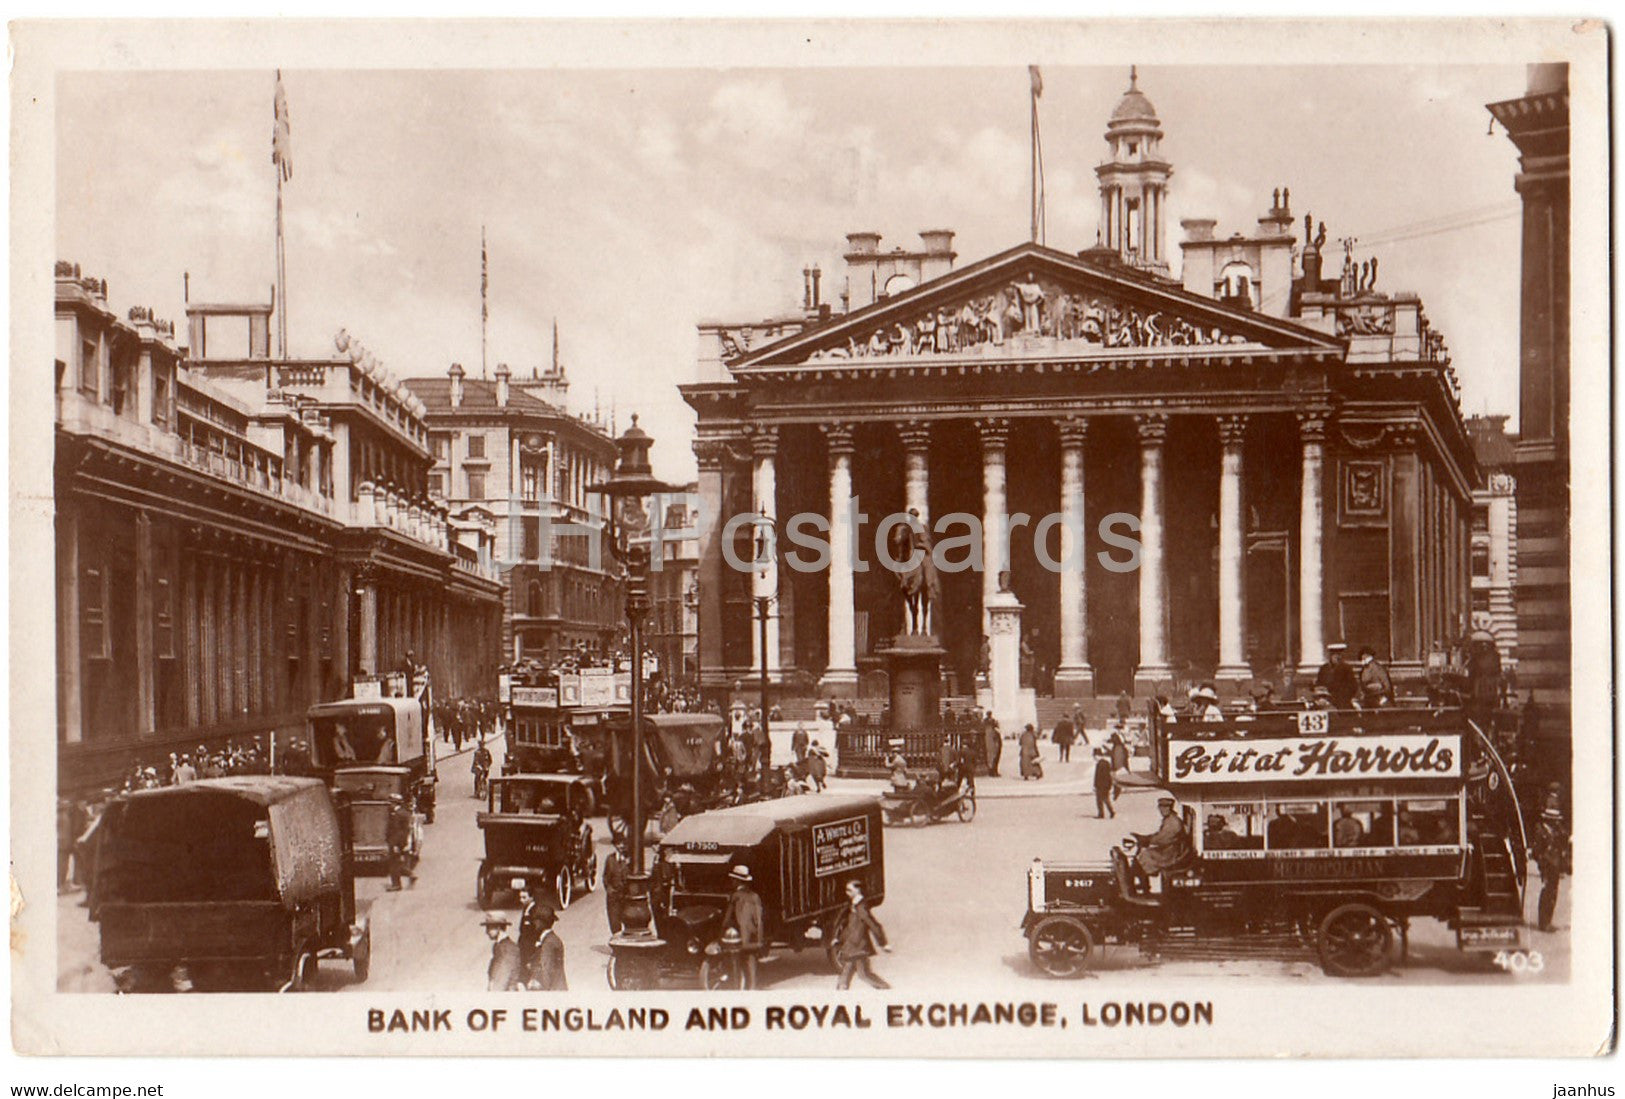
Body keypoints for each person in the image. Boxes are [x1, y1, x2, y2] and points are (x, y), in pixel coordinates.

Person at [832, 879, 891, 989]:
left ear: (858, 890)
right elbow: (848, 927)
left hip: (859, 946)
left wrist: (883, 943)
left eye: (849, 890)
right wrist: (837, 939)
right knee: (849, 974)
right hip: (851, 946)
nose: (846, 892)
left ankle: (885, 988)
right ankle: (841, 992)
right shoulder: (852, 905)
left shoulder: (861, 907)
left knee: (863, 974)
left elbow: (873, 925)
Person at [1530, 795, 1570, 932]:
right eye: (1553, 820)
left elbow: (1562, 844)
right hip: (1547, 864)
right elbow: (1536, 851)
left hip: (1555, 864)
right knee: (1547, 892)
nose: (1555, 822)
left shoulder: (1556, 831)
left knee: (1553, 893)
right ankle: (1543, 922)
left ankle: (1549, 920)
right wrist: (1542, 861)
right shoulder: (1541, 830)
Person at [721, 865, 765, 989]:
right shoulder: (755, 896)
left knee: (736, 961)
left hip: (740, 935)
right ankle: (752, 987)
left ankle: (737, 986)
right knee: (751, 961)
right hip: (753, 935)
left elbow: (728, 917)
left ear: (736, 881)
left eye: (733, 880)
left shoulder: (735, 896)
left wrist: (723, 929)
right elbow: (759, 918)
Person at [1133, 797, 1192, 887]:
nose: (1163, 810)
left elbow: (1164, 838)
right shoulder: (1169, 819)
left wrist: (1147, 839)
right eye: (1161, 807)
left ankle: (1144, 884)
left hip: (1171, 853)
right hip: (1169, 850)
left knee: (1145, 854)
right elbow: (1160, 835)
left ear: (1170, 808)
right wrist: (1147, 838)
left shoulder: (1173, 822)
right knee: (1145, 854)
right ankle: (1144, 882)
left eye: (1165, 807)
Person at [518, 898, 567, 991]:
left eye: (534, 921)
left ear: (540, 923)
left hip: (552, 992)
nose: (533, 924)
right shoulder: (551, 939)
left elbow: (546, 971)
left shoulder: (548, 943)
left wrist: (533, 985)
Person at [384, 794, 416, 892]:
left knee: (394, 864)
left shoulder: (398, 814)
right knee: (397, 862)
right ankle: (409, 874)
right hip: (397, 842)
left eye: (391, 802)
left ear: (395, 803)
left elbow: (399, 831)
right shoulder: (402, 813)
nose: (389, 805)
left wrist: (396, 845)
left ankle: (396, 885)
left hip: (396, 843)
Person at [483, 913, 523, 991]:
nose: (487, 932)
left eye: (489, 928)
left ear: (498, 928)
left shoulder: (508, 948)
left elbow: (503, 978)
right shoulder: (499, 946)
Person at [1314, 642, 1359, 709]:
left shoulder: (1346, 668)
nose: (1338, 657)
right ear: (1330, 656)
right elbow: (1319, 683)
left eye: (1339, 655)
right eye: (1335, 655)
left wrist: (1345, 696)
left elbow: (1353, 685)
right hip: (1327, 700)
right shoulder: (1324, 668)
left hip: (1343, 700)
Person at [602, 840, 631, 936]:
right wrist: (609, 889)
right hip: (613, 896)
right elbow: (605, 876)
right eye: (618, 844)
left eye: (623, 843)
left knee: (628, 921)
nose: (621, 846)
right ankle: (617, 943)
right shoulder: (610, 859)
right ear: (615, 845)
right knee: (614, 922)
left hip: (626, 896)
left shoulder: (629, 859)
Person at [1091, 750, 1115, 819]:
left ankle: (1101, 814)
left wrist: (1095, 785)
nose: (1094, 758)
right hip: (1106, 785)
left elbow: (1098, 776)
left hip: (1100, 785)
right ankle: (1111, 811)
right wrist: (1110, 785)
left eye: (1094, 756)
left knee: (1099, 800)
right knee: (1106, 799)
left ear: (1097, 756)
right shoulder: (1107, 763)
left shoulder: (1099, 764)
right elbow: (1109, 775)